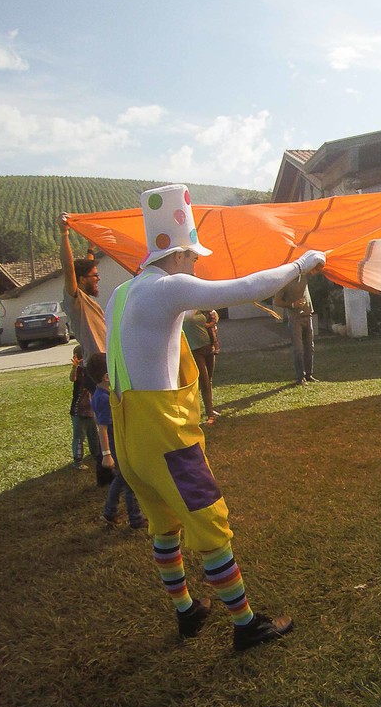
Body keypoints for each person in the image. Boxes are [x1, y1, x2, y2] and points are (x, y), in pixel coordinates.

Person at [106, 183, 326, 651]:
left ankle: (187, 613)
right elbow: (245, 289)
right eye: (195, 256)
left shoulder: (120, 294)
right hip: (165, 433)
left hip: (130, 439)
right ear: (182, 254)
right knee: (210, 521)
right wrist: (302, 264)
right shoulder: (170, 286)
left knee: (164, 526)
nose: (198, 263)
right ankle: (246, 625)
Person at [86, 352, 146, 531]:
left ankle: (109, 513)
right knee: (129, 480)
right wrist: (107, 455)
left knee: (121, 478)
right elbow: (102, 428)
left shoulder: (101, 393)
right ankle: (136, 519)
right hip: (115, 446)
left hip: (119, 444)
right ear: (107, 376)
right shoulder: (104, 399)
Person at [59, 215, 106, 358]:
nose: (98, 279)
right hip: (96, 370)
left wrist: (90, 248)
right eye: (95, 276)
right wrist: (64, 234)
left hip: (106, 363)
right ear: (82, 280)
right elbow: (68, 268)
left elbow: (87, 269)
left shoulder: (86, 297)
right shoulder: (76, 301)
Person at [273, 279, 317, 384]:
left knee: (310, 347)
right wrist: (293, 304)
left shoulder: (304, 276)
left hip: (308, 315)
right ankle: (300, 377)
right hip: (295, 318)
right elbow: (277, 301)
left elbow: (317, 267)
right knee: (298, 349)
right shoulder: (285, 281)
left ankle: (309, 374)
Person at [182, 308, 219, 423]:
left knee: (209, 380)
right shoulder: (184, 312)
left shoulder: (201, 308)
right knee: (204, 381)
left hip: (208, 347)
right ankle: (209, 414)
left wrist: (212, 313)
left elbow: (215, 317)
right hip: (195, 350)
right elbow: (186, 318)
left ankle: (210, 410)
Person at [68, 344, 101, 470]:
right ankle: (78, 460)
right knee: (79, 436)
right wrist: (74, 367)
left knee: (93, 434)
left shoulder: (89, 370)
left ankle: (97, 455)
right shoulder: (78, 371)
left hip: (90, 409)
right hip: (78, 410)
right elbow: (72, 378)